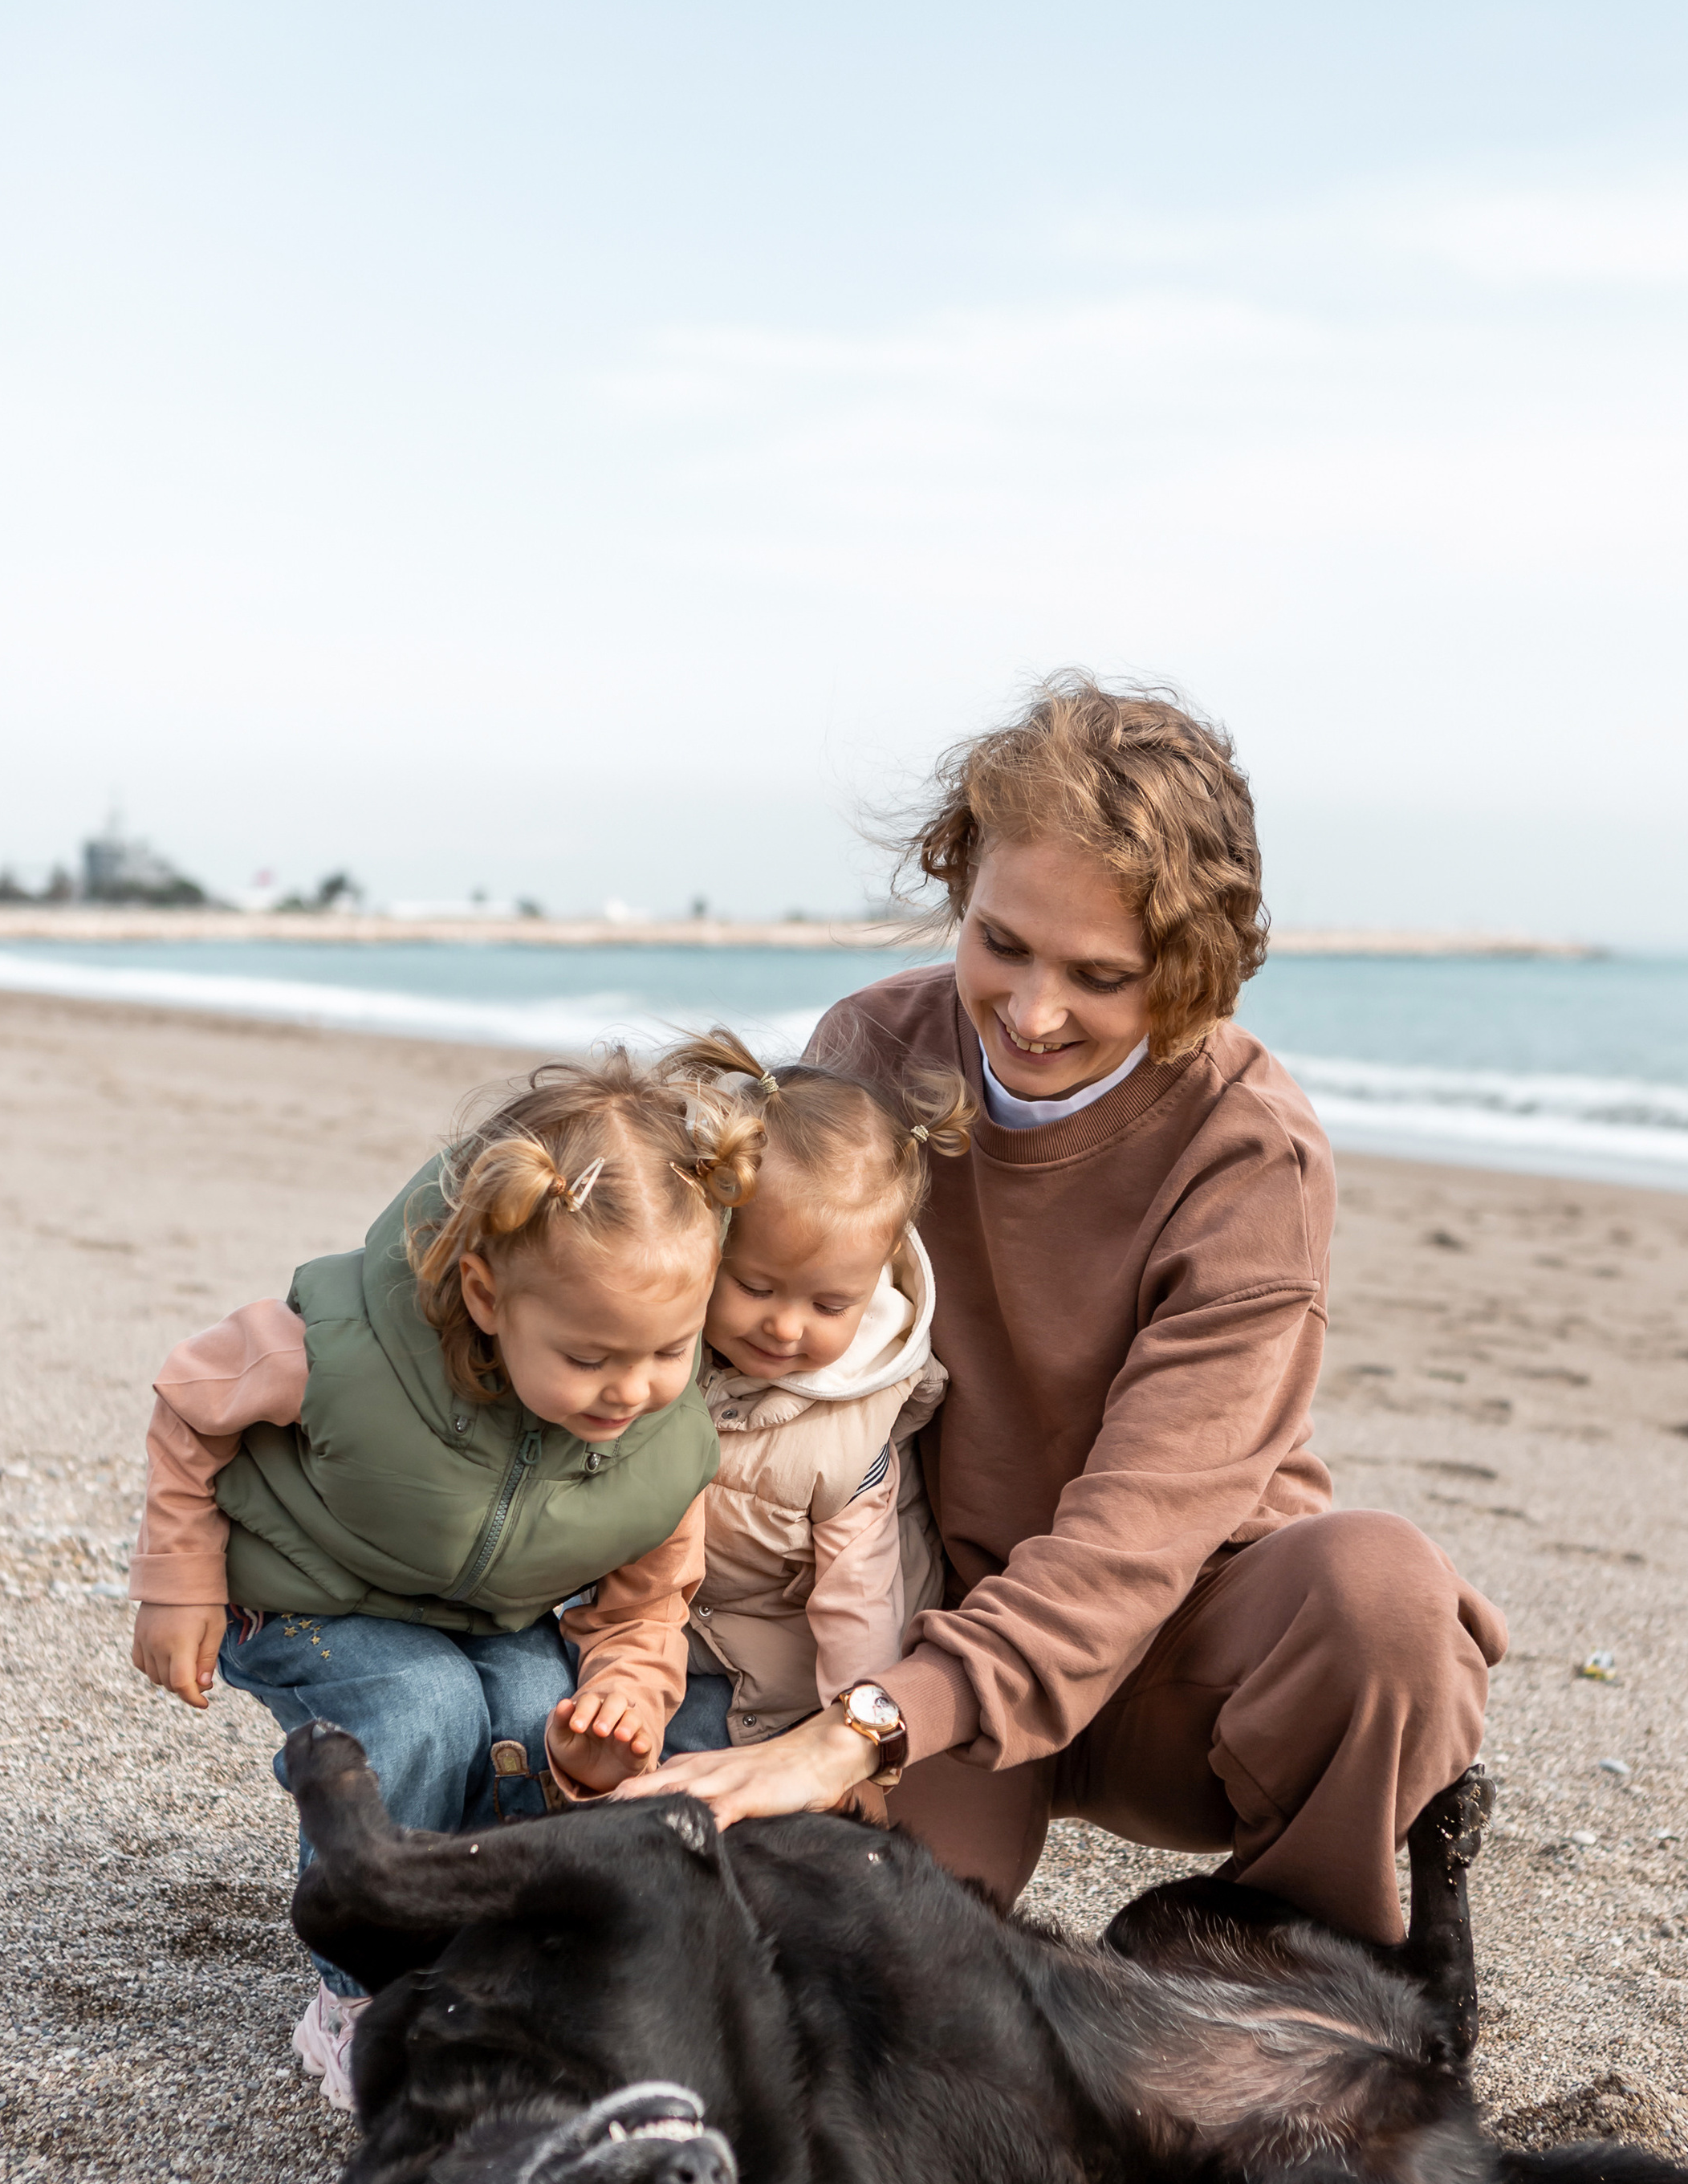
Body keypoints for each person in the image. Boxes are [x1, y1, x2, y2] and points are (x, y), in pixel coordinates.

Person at [618, 675, 1507, 1949]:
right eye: (1003, 945)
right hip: (912, 1614)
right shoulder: (870, 1050)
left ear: (1192, 974)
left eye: (1101, 975)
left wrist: (866, 1729)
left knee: (1388, 1603)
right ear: (960, 888)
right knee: (877, 1968)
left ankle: (1298, 1967)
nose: (1032, 1015)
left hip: (1168, 1653)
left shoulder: (1252, 1153)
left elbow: (1139, 1534)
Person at [127, 1054, 763, 2103]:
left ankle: (483, 1959)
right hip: (307, 1592)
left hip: (483, 1612)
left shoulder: (667, 1439)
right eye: (592, 1355)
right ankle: (361, 1989)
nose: (633, 1389)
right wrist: (176, 1580)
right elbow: (192, 1402)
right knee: (424, 1708)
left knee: (527, 1704)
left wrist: (625, 1699)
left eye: (667, 1351)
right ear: (485, 1293)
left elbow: (648, 1609)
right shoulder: (346, 1351)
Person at [660, 1027, 971, 1751]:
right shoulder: (669, 1345)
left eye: (829, 1306)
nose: (785, 1327)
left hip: (784, 1676)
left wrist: (853, 1744)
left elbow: (858, 1605)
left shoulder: (851, 1431)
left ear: (876, 1278)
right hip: (660, 1628)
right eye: (755, 1286)